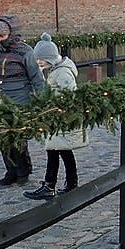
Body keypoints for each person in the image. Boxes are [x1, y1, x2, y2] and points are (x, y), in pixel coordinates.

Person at [0, 14, 45, 186]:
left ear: (11, 34)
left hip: (19, 100)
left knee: (18, 137)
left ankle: (23, 170)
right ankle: (10, 171)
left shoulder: (25, 52)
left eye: (1, 36)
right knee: (2, 137)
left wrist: (43, 101)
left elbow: (36, 78)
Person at [25, 34, 88, 201]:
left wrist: (52, 108)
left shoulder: (62, 74)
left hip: (61, 119)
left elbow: (67, 97)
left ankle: (51, 185)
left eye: (42, 60)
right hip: (56, 119)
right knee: (59, 151)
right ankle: (68, 183)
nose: (38, 63)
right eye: (37, 59)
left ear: (51, 58)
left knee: (56, 150)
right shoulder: (54, 70)